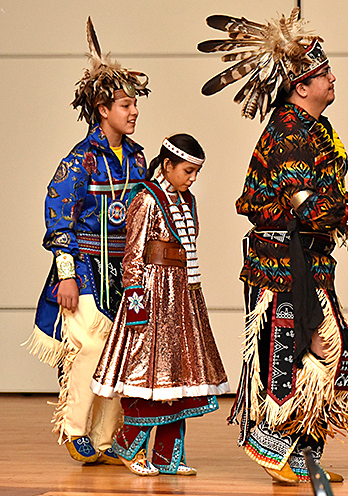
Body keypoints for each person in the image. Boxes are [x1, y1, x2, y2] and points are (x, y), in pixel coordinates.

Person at [198, 8, 348, 484]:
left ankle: (305, 451)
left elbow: (327, 197)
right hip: (281, 264)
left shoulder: (317, 130)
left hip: (311, 260)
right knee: (291, 351)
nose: (332, 78)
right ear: (301, 86)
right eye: (324, 73)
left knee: (322, 353)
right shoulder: (286, 133)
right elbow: (307, 205)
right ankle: (267, 442)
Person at [24, 17, 150, 464]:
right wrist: (66, 277)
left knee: (121, 352)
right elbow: (58, 218)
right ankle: (74, 427)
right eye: (124, 104)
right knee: (93, 346)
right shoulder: (79, 160)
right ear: (102, 109)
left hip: (124, 272)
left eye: (135, 104)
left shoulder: (137, 159)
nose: (133, 112)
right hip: (83, 268)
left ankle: (103, 438)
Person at [91, 134, 230, 476]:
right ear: (167, 165)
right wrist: (136, 302)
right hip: (151, 295)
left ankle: (168, 456)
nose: (192, 178)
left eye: (196, 172)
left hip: (182, 294)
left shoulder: (189, 200)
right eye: (187, 170)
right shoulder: (146, 200)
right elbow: (133, 251)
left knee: (180, 374)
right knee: (148, 371)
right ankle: (128, 446)